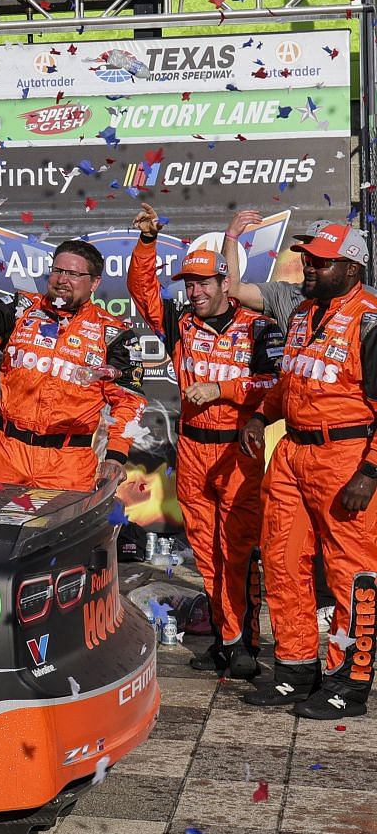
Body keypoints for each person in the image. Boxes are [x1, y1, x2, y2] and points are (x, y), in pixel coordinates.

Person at [225, 214, 377, 718]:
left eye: (320, 261)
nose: (308, 266)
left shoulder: (370, 319)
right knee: (284, 563)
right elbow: (295, 380)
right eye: (306, 258)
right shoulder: (305, 311)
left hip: (346, 457)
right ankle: (294, 669)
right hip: (290, 452)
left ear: (352, 268)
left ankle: (348, 682)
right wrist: (262, 414)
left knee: (349, 573)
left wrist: (369, 472)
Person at [127, 204, 280, 680]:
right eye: (188, 285)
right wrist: (148, 243)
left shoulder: (259, 327)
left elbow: (277, 385)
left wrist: (223, 390)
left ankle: (242, 642)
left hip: (238, 450)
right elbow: (142, 291)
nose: (193, 292)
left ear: (223, 283)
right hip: (192, 449)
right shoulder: (181, 324)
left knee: (237, 550)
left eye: (202, 284)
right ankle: (225, 638)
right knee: (205, 549)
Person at [0, 237, 146, 492]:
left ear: (94, 282)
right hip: (7, 454)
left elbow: (129, 400)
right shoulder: (21, 309)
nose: (62, 279)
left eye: (74, 274)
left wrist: (116, 455)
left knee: (63, 533)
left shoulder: (114, 333)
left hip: (68, 460)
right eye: (58, 270)